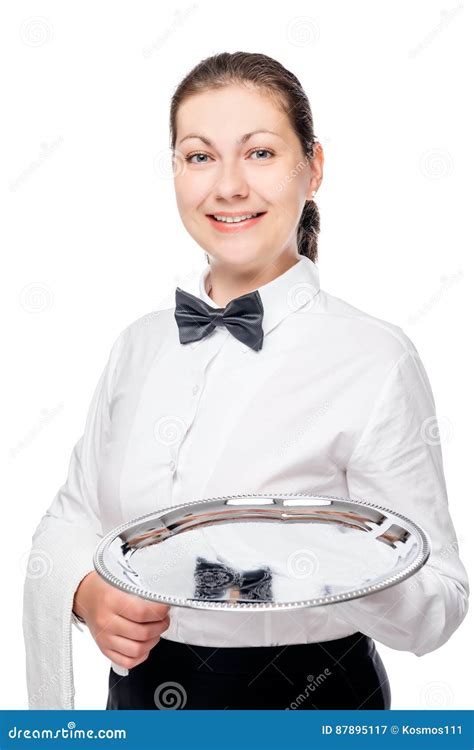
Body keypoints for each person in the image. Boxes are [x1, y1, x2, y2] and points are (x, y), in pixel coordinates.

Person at [23, 51, 469, 711]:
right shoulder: (138, 345)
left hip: (311, 698)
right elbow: (73, 517)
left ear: (312, 167)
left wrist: (339, 562)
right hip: (143, 698)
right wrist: (87, 595)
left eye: (259, 153)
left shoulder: (375, 358)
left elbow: (440, 605)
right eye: (200, 156)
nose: (228, 186)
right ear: (174, 171)